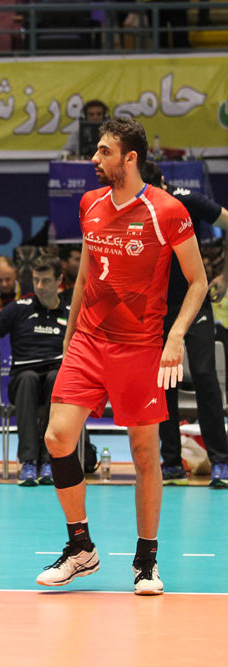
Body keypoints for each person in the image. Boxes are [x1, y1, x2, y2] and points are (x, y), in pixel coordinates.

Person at [36, 118, 206, 596]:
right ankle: (81, 548)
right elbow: (87, 269)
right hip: (89, 341)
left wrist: (175, 337)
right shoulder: (90, 203)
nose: (95, 159)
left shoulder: (166, 210)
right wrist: (71, 332)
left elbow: (197, 281)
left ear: (130, 158)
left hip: (140, 346)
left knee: (144, 453)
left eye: (104, 151)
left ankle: (146, 561)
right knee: (57, 437)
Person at [140, 160, 228, 488]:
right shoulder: (136, 208)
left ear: (163, 184)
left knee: (205, 375)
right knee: (164, 382)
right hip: (158, 307)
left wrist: (225, 277)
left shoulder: (186, 200)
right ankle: (172, 463)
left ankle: (221, 461)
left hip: (195, 301)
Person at [0, 255, 69, 486]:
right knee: (28, 379)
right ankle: (28, 462)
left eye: (46, 281)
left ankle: (49, 461)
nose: (39, 286)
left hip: (56, 380)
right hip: (23, 380)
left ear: (59, 280)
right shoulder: (18, 309)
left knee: (56, 378)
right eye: (36, 280)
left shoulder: (70, 312)